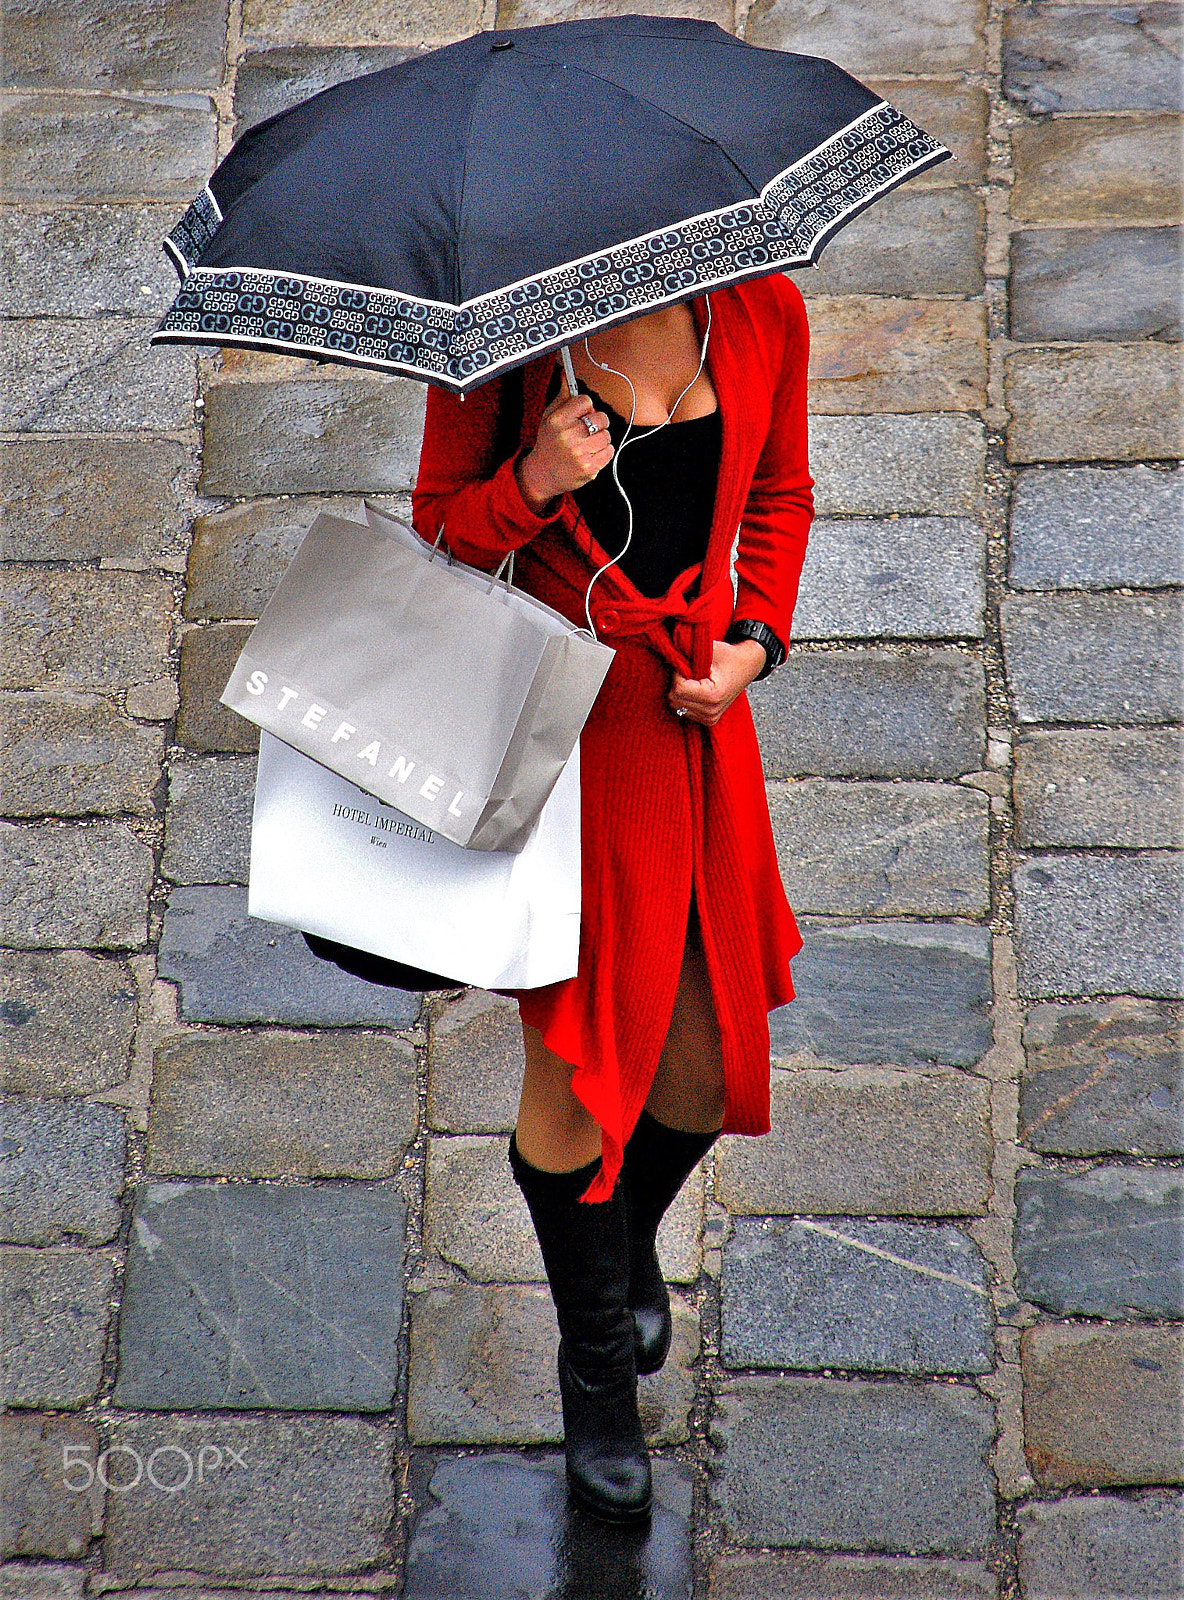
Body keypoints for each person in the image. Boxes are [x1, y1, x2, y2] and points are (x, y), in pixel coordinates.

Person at [411, 274, 814, 1524]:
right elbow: (434, 543)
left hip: (691, 724)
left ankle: (615, 1235)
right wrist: (533, 479)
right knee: (577, 1074)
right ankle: (596, 1376)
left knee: (697, 1074)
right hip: (564, 737)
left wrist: (755, 639)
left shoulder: (757, 315)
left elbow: (775, 496)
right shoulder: (499, 347)